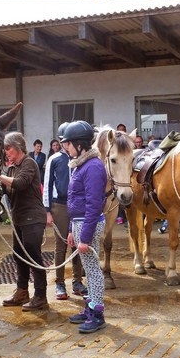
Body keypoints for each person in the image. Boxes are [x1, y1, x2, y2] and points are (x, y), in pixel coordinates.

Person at [62, 120, 108, 333]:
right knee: (89, 269)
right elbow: (76, 202)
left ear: (79, 144)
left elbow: (93, 205)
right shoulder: (82, 164)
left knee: (93, 270)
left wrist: (85, 238)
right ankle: (90, 307)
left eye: (68, 143)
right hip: (80, 223)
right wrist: (72, 229)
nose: (66, 147)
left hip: (88, 223)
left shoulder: (93, 167)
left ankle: (97, 314)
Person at [0, 132, 50, 311]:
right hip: (19, 218)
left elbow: (20, 184)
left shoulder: (29, 163)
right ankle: (22, 292)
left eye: (8, 148)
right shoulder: (12, 168)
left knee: (33, 255)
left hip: (33, 217)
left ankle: (41, 296)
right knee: (19, 256)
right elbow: (7, 191)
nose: (6, 152)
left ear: (18, 147)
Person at [44, 123, 86, 302]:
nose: (66, 144)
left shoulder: (79, 159)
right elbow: (47, 185)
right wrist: (47, 210)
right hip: (59, 205)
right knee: (61, 245)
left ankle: (77, 280)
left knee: (77, 243)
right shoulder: (54, 159)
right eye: (65, 141)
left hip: (75, 204)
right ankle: (60, 282)